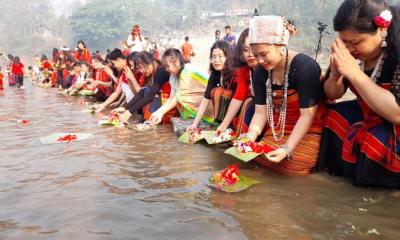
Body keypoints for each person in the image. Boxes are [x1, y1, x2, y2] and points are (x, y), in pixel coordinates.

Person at [318, 0, 400, 188]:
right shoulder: (351, 54)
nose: (349, 48)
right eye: (344, 42)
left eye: (356, 42)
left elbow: (397, 114)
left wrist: (354, 73)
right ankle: (337, 178)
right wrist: (336, 75)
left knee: (374, 140)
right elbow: (332, 93)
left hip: (393, 121)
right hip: (372, 113)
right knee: (332, 115)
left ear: (381, 31)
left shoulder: (396, 52)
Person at [235, 15, 326, 176]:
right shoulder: (260, 73)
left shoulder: (305, 68)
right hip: (277, 130)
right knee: (250, 158)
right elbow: (261, 112)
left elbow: (307, 116)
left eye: (264, 54)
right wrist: (250, 136)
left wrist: (287, 148)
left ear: (281, 45)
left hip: (307, 129)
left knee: (293, 168)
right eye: (255, 55)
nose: (260, 60)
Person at [149, 48, 213, 125]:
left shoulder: (187, 72)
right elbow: (171, 98)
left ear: (177, 62)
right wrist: (158, 113)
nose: (166, 69)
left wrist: (161, 113)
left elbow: (179, 97)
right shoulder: (173, 77)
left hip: (209, 104)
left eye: (168, 66)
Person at [215, 28, 258, 135]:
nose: (250, 54)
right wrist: (224, 125)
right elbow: (239, 95)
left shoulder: (267, 68)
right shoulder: (244, 69)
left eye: (254, 49)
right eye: (245, 50)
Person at [187, 40, 235, 132]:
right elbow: (205, 100)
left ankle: (229, 124)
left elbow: (238, 98)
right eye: (213, 57)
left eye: (220, 56)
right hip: (228, 109)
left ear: (228, 57)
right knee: (214, 92)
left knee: (218, 92)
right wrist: (194, 124)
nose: (216, 60)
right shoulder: (215, 74)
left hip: (238, 107)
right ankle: (221, 122)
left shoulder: (234, 72)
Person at [111, 51, 172, 123]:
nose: (140, 71)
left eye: (140, 67)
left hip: (171, 104)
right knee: (146, 90)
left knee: (152, 95)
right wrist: (125, 108)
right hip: (165, 102)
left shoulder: (161, 71)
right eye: (138, 68)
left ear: (149, 63)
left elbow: (150, 95)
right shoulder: (151, 72)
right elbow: (142, 92)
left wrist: (129, 112)